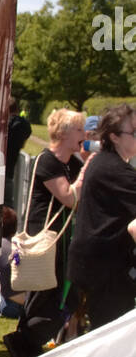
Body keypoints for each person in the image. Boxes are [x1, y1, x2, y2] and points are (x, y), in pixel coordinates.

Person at [3, 108, 86, 357]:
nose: (84, 135)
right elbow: (70, 197)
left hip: (63, 237)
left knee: (66, 294)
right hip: (44, 237)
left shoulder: (73, 163)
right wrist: (88, 168)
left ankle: (27, 340)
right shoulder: (46, 160)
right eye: (79, 130)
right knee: (43, 293)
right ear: (63, 133)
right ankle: (23, 341)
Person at [67, 104, 136, 329]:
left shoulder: (103, 162)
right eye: (134, 132)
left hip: (97, 265)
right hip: (103, 270)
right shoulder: (114, 170)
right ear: (114, 137)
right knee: (112, 336)